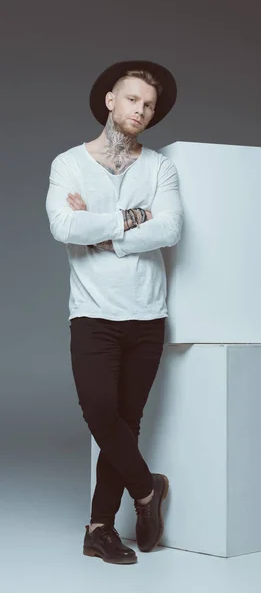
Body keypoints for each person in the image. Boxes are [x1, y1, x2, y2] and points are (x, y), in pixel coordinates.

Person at [45, 60, 183, 565]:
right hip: (92, 313)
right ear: (109, 100)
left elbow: (169, 229)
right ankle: (148, 491)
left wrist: (99, 229)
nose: (140, 110)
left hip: (147, 315)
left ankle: (99, 529)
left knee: (127, 420)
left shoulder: (160, 166)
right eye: (132, 99)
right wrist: (131, 220)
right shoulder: (69, 164)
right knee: (102, 414)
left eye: (148, 105)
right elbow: (63, 225)